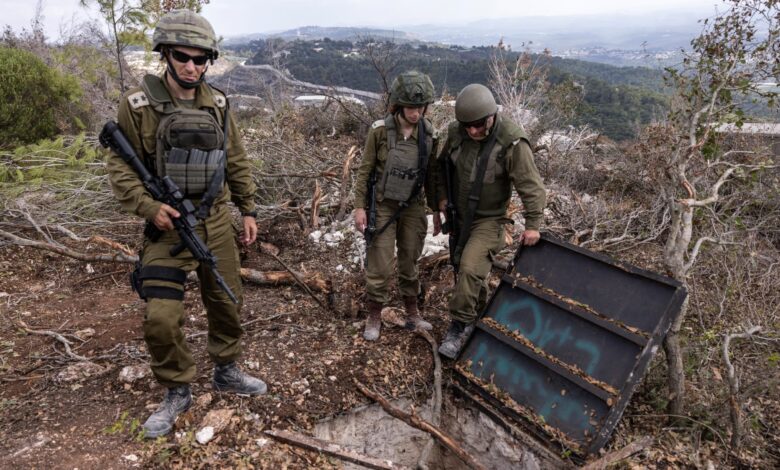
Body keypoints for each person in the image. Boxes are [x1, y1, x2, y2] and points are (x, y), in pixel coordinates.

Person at [106, 10, 266, 439]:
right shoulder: (137, 107)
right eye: (183, 57)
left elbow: (235, 159)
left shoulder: (218, 104)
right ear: (166, 54)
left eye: (201, 59)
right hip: (168, 227)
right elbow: (120, 167)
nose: (192, 67)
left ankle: (226, 370)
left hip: (215, 221)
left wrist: (248, 209)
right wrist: (149, 207)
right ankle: (177, 388)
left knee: (227, 300)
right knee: (161, 317)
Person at [433, 83, 546, 359]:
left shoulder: (511, 142)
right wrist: (441, 200)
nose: (473, 131)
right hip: (459, 215)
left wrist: (533, 225)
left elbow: (532, 187)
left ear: (491, 116)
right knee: (463, 265)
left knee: (470, 268)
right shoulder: (457, 133)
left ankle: (459, 327)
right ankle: (481, 313)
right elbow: (440, 167)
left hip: (489, 220)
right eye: (468, 126)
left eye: (478, 125)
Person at [353, 71, 439, 341]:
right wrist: (359, 207)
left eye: (420, 107)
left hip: (413, 205)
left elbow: (432, 176)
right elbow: (365, 171)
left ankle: (412, 311)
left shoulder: (428, 134)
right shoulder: (380, 131)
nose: (416, 112)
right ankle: (374, 314)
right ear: (399, 105)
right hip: (383, 204)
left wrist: (437, 210)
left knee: (410, 259)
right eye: (411, 107)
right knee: (380, 263)